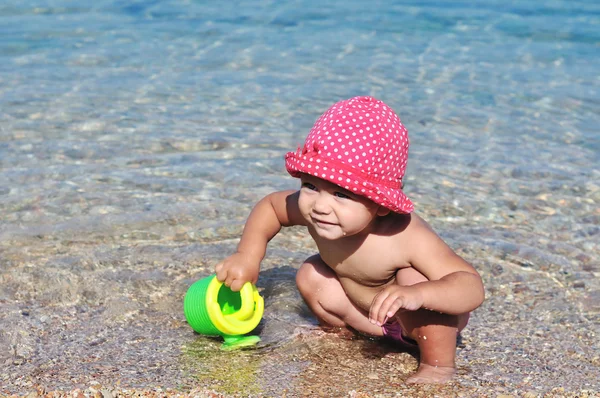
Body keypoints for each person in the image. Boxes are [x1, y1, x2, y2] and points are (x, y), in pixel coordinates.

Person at [214, 96, 485, 384]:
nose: (320, 205)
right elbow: (270, 207)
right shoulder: (318, 210)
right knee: (310, 273)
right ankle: (340, 335)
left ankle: (438, 366)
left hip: (417, 324)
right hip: (368, 319)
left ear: (381, 204)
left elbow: (471, 287)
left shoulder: (404, 235)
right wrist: (247, 256)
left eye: (341, 194)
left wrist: (419, 295)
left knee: (414, 278)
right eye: (310, 185)